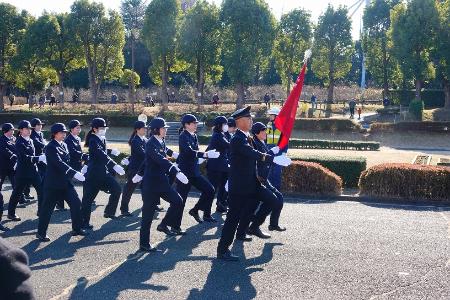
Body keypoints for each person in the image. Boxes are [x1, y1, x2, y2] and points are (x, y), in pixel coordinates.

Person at [216, 106, 291, 261]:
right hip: (240, 186)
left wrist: (273, 154)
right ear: (239, 121)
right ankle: (222, 250)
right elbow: (252, 153)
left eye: (251, 118)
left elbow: (256, 153)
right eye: (248, 119)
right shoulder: (237, 139)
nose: (251, 121)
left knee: (273, 200)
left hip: (253, 183)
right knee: (233, 218)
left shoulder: (247, 136)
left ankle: (254, 225)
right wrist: (273, 158)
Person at [132, 117, 187, 251]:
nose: (165, 130)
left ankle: (164, 224)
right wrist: (176, 171)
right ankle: (144, 244)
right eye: (163, 128)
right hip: (151, 185)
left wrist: (139, 173)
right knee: (148, 216)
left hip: (161, 182)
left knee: (178, 201)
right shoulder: (150, 144)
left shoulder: (160, 141)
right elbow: (160, 159)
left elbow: (147, 161)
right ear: (156, 130)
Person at [36, 123, 88, 242]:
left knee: (76, 204)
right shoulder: (50, 147)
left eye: (64, 132)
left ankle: (77, 228)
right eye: (61, 132)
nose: (64, 134)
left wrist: (82, 168)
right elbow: (59, 163)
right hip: (53, 184)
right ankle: (41, 233)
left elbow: (69, 161)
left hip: (65, 182)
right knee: (47, 210)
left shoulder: (64, 145)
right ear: (54, 134)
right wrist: (74, 173)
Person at [237, 122, 286, 239]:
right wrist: (272, 155)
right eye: (263, 131)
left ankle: (264, 225)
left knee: (275, 199)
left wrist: (273, 152)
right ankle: (253, 226)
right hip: (258, 178)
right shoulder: (254, 143)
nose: (266, 133)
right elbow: (259, 157)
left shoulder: (262, 142)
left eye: (266, 130)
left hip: (263, 178)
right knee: (270, 200)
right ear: (257, 133)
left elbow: (264, 155)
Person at [173, 114, 219, 230]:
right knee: (181, 200)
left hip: (194, 171)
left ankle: (195, 210)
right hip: (185, 173)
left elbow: (195, 152)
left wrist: (203, 156)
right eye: (194, 123)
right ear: (186, 125)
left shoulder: (193, 135)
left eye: (196, 123)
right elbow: (189, 151)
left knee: (210, 190)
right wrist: (205, 154)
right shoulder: (183, 136)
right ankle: (175, 226)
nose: (196, 125)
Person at [80, 118, 125, 230]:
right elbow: (100, 154)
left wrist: (110, 151)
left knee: (117, 189)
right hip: (93, 175)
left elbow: (103, 151)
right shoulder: (92, 140)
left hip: (103, 173)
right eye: (101, 128)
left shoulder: (101, 138)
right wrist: (114, 165)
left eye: (105, 128)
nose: (103, 130)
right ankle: (82, 223)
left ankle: (109, 212)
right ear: (94, 129)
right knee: (88, 200)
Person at [8, 120, 46, 221]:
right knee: (17, 193)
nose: (29, 130)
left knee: (41, 190)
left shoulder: (30, 140)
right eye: (26, 129)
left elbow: (32, 156)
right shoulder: (19, 142)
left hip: (33, 171)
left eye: (30, 129)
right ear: (21, 130)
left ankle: (41, 211)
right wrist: (39, 158)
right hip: (23, 172)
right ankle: (11, 213)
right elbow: (25, 158)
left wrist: (41, 159)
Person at [119, 120, 151, 217]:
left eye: (145, 128)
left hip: (144, 168)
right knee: (129, 189)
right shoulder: (135, 141)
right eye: (143, 128)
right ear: (137, 129)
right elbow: (142, 154)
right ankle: (124, 209)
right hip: (135, 169)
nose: (145, 129)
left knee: (149, 187)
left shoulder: (145, 140)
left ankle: (152, 205)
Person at [206, 116, 230, 214]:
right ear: (219, 125)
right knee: (212, 189)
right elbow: (228, 145)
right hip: (215, 167)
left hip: (222, 166)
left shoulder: (221, 134)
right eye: (225, 124)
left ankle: (221, 205)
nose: (226, 126)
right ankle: (206, 212)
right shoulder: (217, 135)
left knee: (224, 186)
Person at [0, 123, 18, 231]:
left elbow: (16, 149)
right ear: (6, 131)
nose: (13, 131)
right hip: (2, 168)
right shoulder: (1, 140)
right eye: (11, 130)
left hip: (12, 168)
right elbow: (5, 151)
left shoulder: (13, 139)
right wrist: (13, 155)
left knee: (17, 187)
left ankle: (11, 212)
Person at [266, 107, 284, 191]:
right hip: (269, 151)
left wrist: (283, 152)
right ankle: (269, 192)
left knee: (276, 173)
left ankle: (276, 192)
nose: (270, 116)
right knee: (269, 173)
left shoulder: (281, 125)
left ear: (276, 116)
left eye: (271, 115)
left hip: (278, 152)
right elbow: (266, 138)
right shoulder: (269, 124)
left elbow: (285, 140)